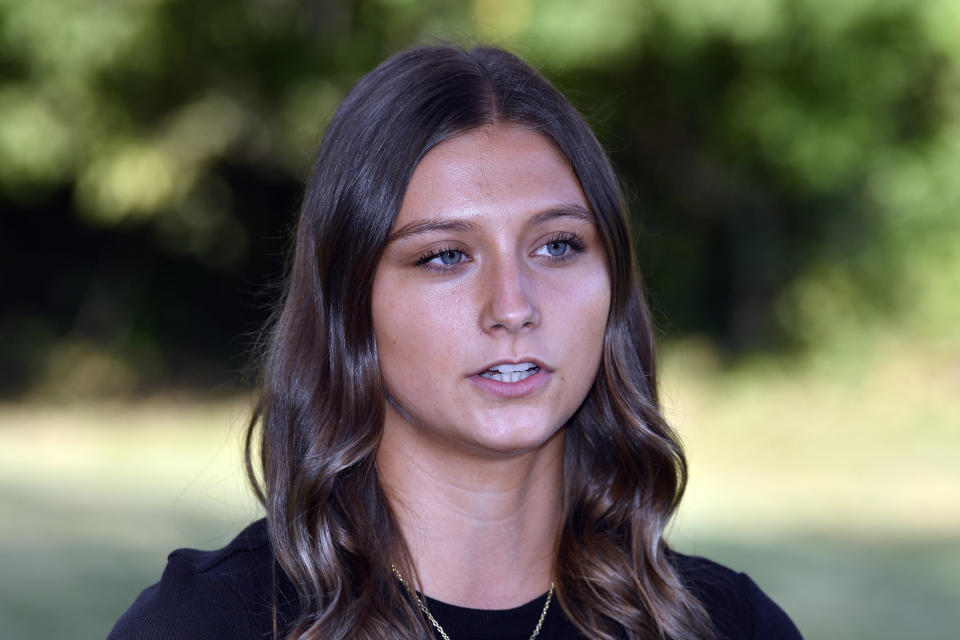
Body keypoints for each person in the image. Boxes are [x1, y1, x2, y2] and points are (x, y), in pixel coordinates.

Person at [108, 44, 803, 640]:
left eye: (558, 246)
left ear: (615, 287)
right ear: (350, 303)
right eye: (445, 256)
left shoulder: (719, 622)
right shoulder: (207, 623)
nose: (514, 307)